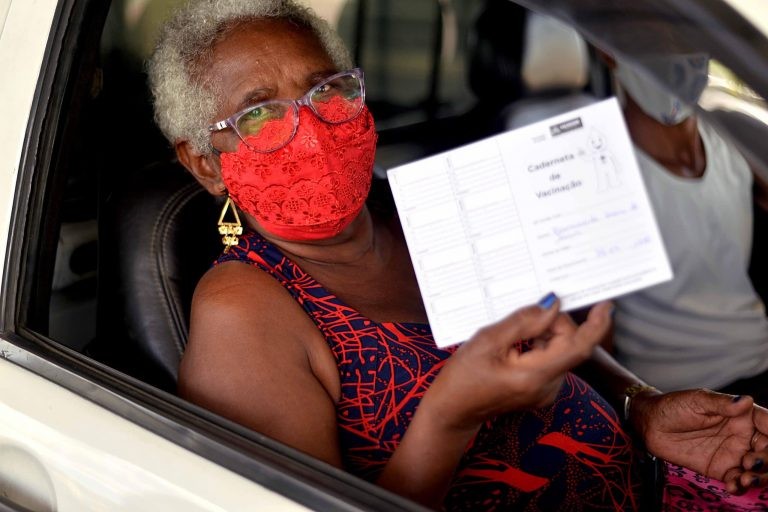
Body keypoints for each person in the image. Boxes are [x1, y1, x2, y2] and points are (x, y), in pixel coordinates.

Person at [148, 1, 768, 509]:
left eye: (326, 91)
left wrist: (641, 407)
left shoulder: (420, 209)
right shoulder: (243, 312)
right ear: (204, 162)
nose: (310, 128)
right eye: (258, 115)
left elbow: (543, 337)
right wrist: (450, 417)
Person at [604, 53, 768, 405]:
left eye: (687, 39)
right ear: (607, 49)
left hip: (759, 361)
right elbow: (592, 327)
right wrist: (634, 409)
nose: (676, 55)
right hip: (673, 393)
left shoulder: (732, 135)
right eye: (652, 42)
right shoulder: (598, 168)